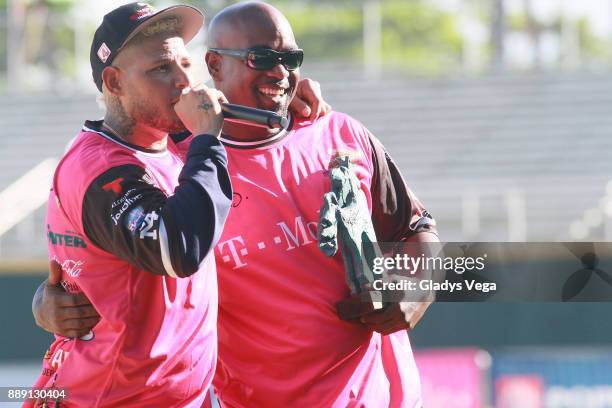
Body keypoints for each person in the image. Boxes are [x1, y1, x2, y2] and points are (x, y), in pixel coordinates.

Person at [34, 2, 438, 407]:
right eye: (261, 58)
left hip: (383, 396)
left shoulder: (338, 132)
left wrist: (421, 290)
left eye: (289, 58)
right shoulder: (182, 161)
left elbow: (420, 231)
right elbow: (123, 244)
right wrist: (48, 300)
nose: (280, 72)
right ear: (215, 64)